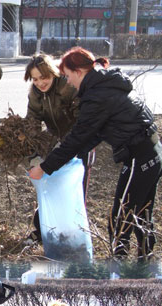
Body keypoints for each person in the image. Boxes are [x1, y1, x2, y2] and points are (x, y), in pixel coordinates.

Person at [29, 46, 162, 258]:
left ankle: (118, 273)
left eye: (69, 76)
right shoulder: (103, 85)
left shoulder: (97, 96)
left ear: (79, 72)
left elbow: (79, 135)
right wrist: (65, 159)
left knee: (119, 220)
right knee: (141, 216)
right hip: (151, 152)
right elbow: (94, 134)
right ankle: (143, 268)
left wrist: (46, 167)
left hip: (140, 156)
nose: (69, 82)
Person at [24, 53, 81, 245]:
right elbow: (31, 124)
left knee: (72, 190)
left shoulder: (67, 87)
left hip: (79, 144)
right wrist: (34, 156)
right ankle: (42, 232)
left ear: (53, 73)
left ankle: (72, 236)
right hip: (56, 143)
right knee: (49, 187)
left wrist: (64, 146)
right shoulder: (35, 94)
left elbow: (81, 122)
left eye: (44, 77)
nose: (40, 83)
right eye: (35, 79)